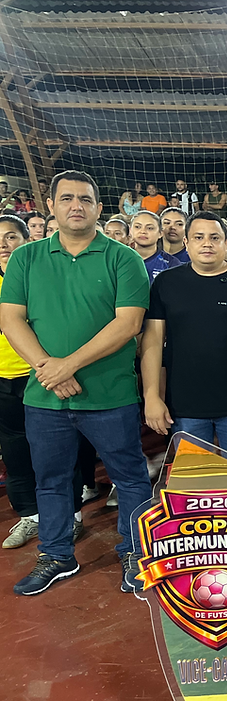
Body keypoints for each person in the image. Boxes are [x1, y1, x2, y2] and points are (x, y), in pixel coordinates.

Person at [0, 170, 152, 595]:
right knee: (49, 479)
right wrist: (48, 366)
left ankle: (137, 553)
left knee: (130, 477)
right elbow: (10, 318)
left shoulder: (123, 258)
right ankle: (57, 554)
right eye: (66, 198)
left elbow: (129, 324)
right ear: (50, 206)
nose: (76, 206)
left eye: (85, 199)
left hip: (109, 395)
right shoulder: (27, 258)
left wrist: (66, 366)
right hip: (45, 396)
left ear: (99, 208)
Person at [142, 210, 227, 465]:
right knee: (193, 487)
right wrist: (152, 397)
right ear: (187, 244)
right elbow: (153, 343)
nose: (207, 243)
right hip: (184, 408)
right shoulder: (166, 284)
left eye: (215, 237)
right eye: (199, 237)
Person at [0, 215, 85, 550]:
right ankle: (30, 516)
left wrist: (49, 368)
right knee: (16, 451)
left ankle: (73, 514)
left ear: (27, 239)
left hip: (48, 376)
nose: (4, 245)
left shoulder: (42, 273)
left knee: (61, 453)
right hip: (6, 379)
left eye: (11, 237)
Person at [131, 211, 182, 281]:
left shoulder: (171, 264)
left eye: (150, 228)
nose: (143, 231)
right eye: (137, 227)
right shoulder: (120, 258)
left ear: (161, 233)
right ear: (130, 230)